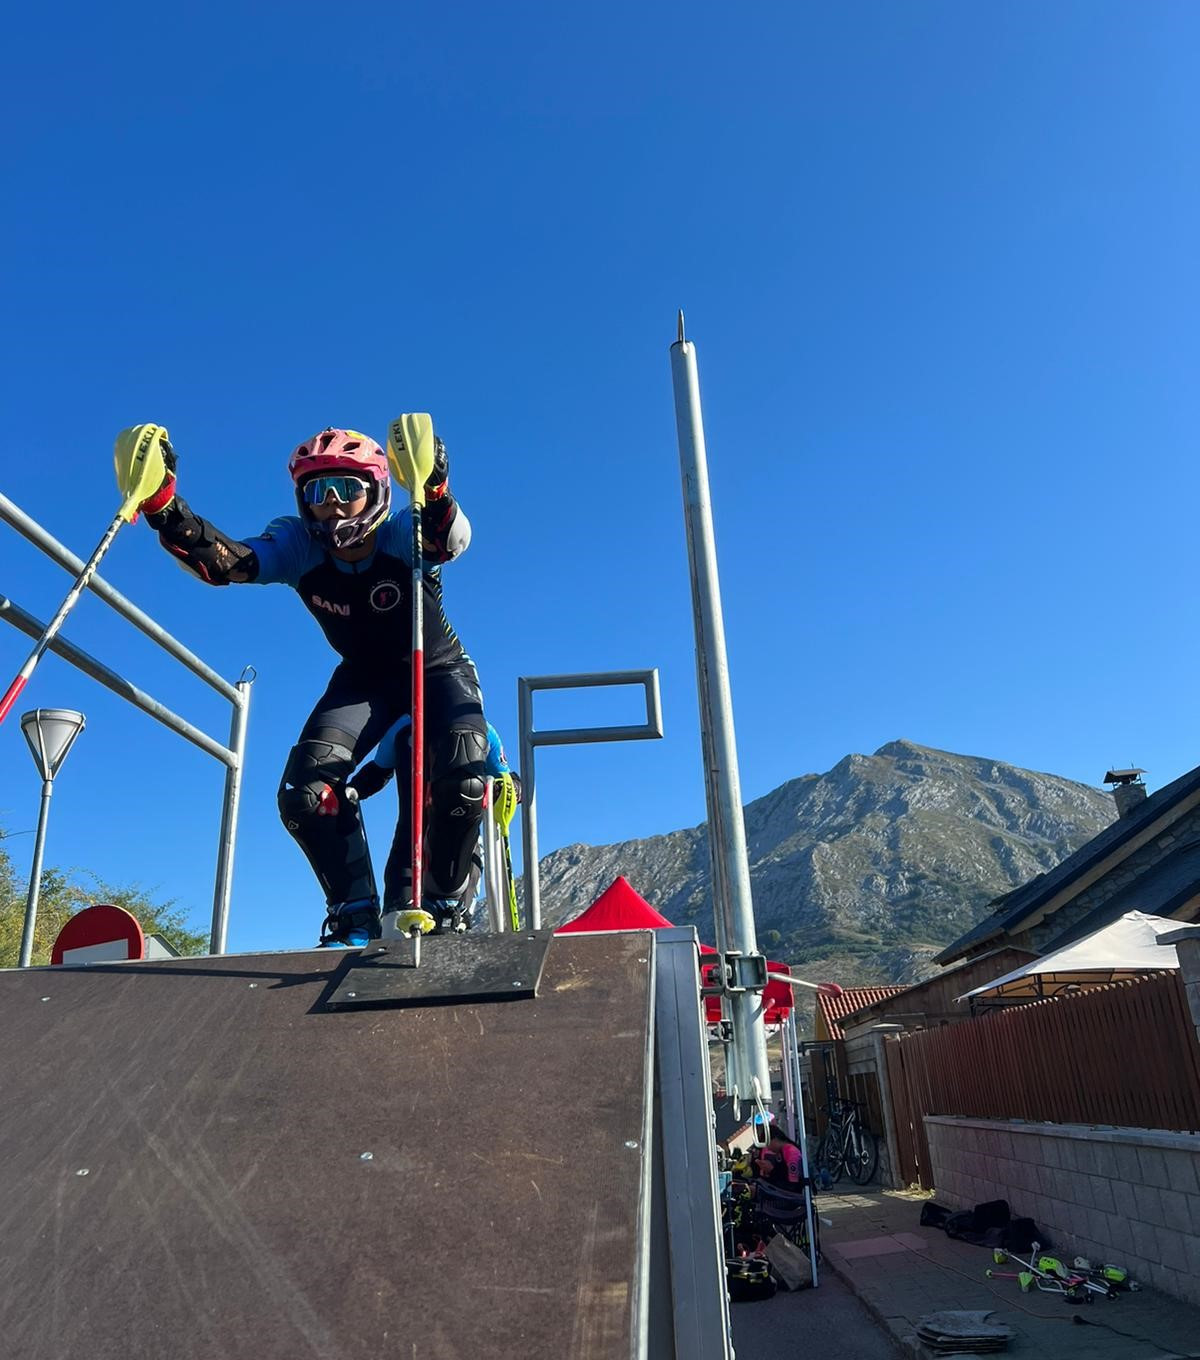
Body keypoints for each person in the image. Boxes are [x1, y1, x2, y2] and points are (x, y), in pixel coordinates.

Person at [138, 426, 488, 947]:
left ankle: (444, 901)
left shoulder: (401, 534)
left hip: (435, 671)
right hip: (364, 681)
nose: (333, 507)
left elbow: (448, 538)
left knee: (464, 772)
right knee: (306, 793)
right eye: (317, 493)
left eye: (347, 489)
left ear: (377, 491)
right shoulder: (299, 545)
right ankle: (353, 916)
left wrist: (434, 485)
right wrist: (163, 505)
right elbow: (230, 563)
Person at [347, 716, 521, 931]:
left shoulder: (481, 728)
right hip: (408, 848)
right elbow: (378, 771)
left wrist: (511, 788)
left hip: (462, 847)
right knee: (397, 926)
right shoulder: (401, 727)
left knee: (453, 928)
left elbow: (505, 778)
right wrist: (351, 790)